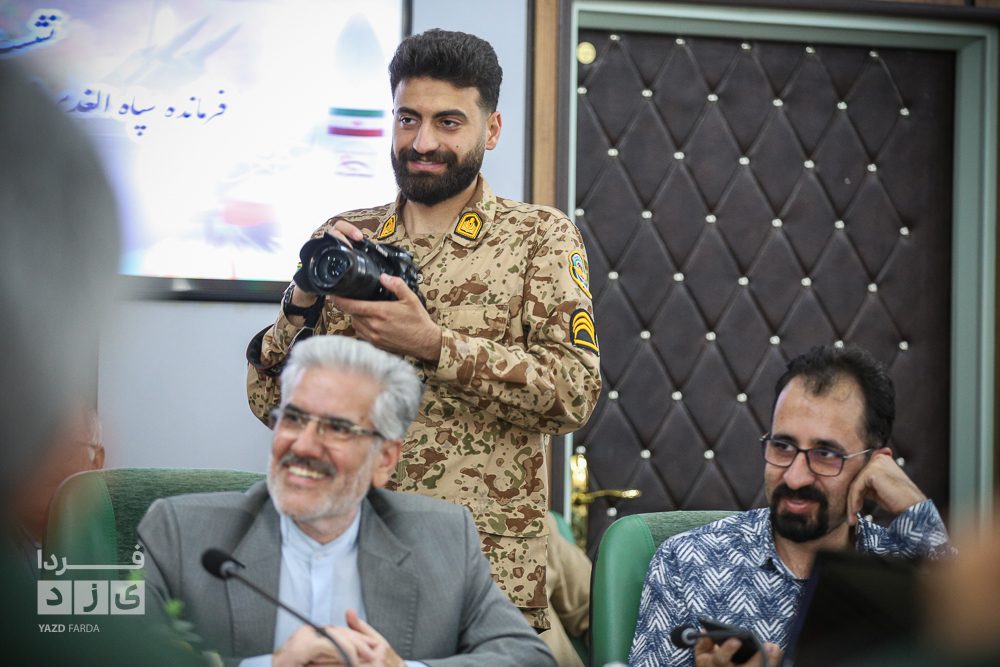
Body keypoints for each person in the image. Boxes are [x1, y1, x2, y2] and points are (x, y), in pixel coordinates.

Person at [246, 29, 602, 628]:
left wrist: (434, 346)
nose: (423, 142)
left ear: (491, 129)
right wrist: (300, 299)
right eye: (407, 119)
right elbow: (267, 403)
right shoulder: (349, 237)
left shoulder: (539, 237)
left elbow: (574, 392)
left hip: (482, 575)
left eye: (448, 122)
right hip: (348, 564)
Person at [145, 335, 556, 667]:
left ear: (384, 460)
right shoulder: (181, 535)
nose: (303, 446)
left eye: (337, 428)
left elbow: (528, 658)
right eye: (294, 419)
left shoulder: (443, 539)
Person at [628, 344, 953, 667]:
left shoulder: (907, 569)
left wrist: (915, 508)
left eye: (825, 454)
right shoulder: (687, 563)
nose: (795, 478)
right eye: (783, 447)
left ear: (873, 465)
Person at [10, 407, 105, 580]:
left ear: (96, 462)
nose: (44, 462)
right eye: (33, 449)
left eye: (63, 447)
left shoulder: (122, 547)